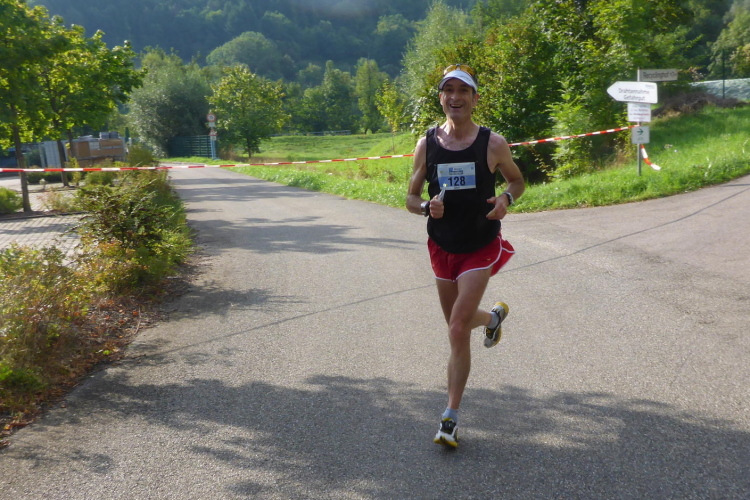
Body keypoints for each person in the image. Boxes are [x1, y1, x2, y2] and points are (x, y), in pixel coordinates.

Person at [406, 64, 525, 448]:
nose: (455, 97)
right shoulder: (427, 144)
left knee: (458, 328)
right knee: (457, 325)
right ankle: (492, 318)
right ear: (441, 97)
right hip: (442, 246)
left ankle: (450, 418)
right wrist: (426, 207)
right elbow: (410, 198)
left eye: (463, 91)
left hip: (479, 245)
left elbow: (517, 181)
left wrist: (505, 199)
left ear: (474, 98)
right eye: (449, 90)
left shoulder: (493, 143)